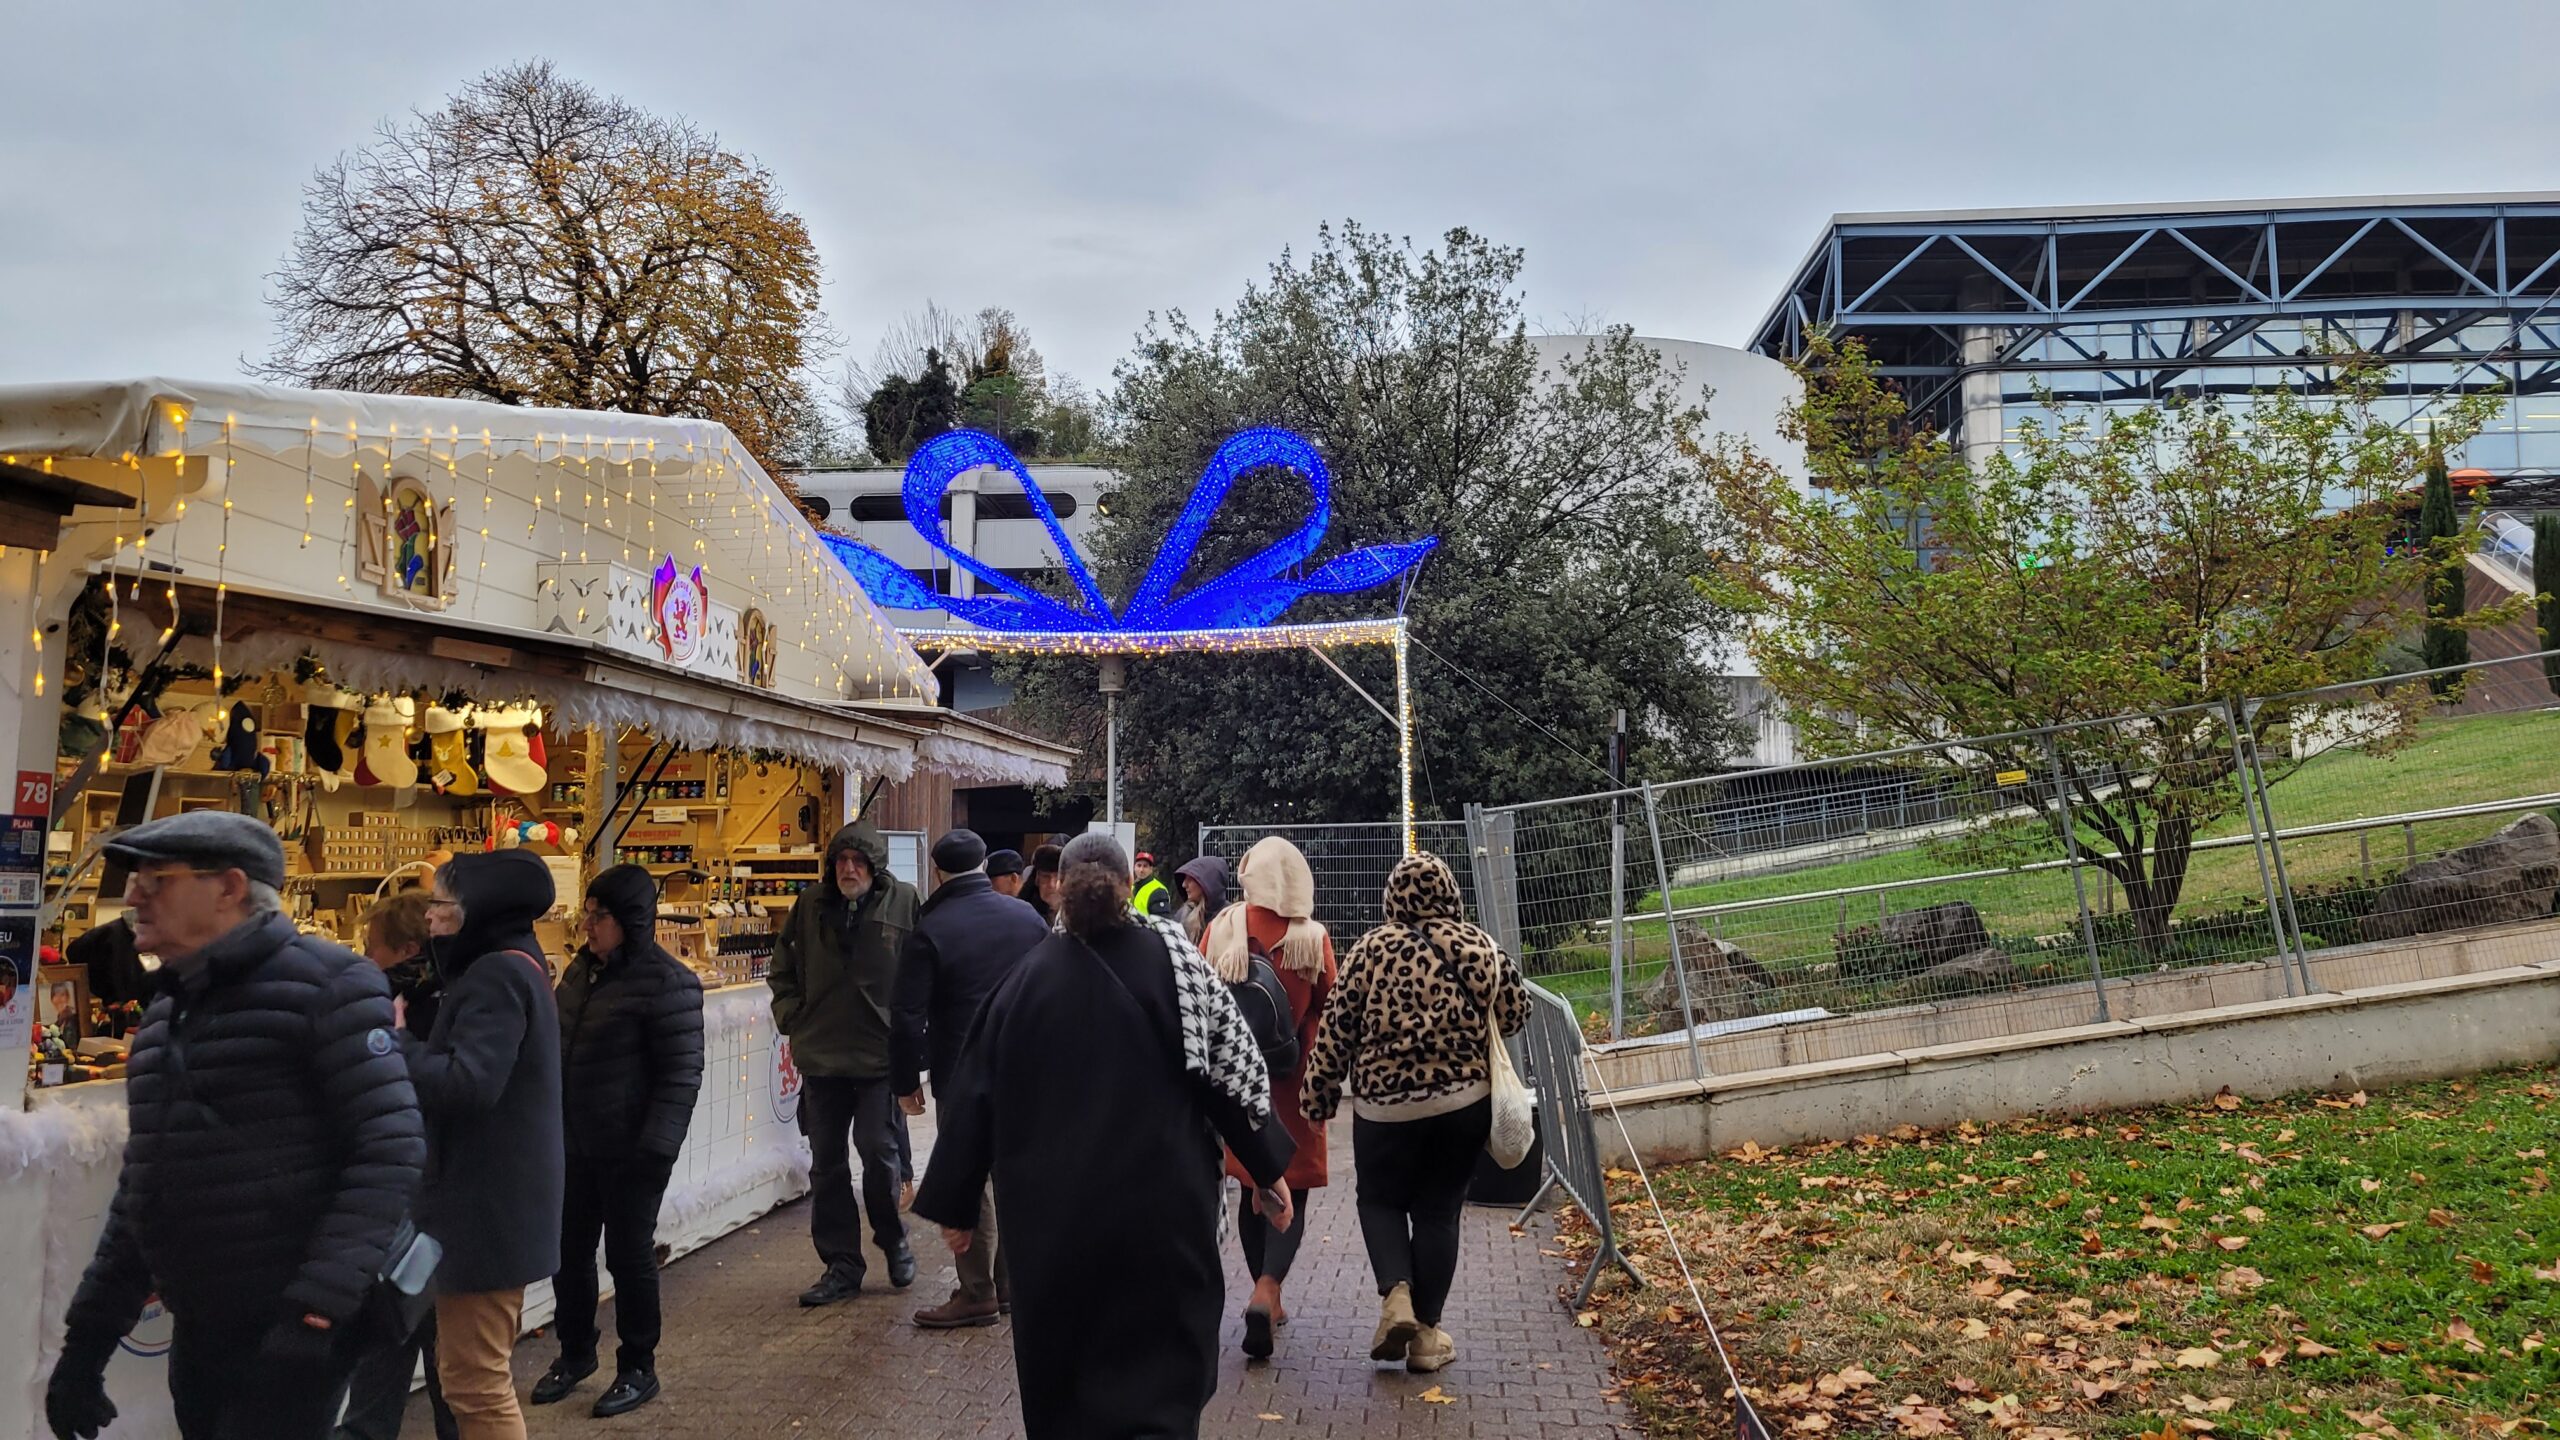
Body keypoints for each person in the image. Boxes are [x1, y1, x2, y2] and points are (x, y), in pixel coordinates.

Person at [46, 812, 425, 1440]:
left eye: (155, 879)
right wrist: (87, 1344)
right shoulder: (167, 1013)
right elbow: (147, 1186)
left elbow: (389, 1149)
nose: (133, 895)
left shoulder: (330, 984)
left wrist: (317, 1311)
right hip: (204, 1327)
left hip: (290, 1326)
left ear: (228, 888)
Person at [914, 833, 1294, 1440]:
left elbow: (974, 1090)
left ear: (1058, 888)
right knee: (1166, 1363)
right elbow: (1230, 1070)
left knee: (1065, 1373)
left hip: (1053, 1224)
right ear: (1127, 889)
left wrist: (956, 1203)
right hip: (1163, 1211)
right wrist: (1266, 1167)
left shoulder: (1025, 979)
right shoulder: (1178, 968)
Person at [1302, 851, 1529, 1375]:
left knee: (1378, 1200)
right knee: (1437, 1212)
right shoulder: (1478, 946)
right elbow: (1517, 1012)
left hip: (1384, 1112)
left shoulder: (1368, 951)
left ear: (1392, 897)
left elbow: (1335, 1032)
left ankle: (1396, 1295)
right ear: (1450, 893)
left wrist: (1318, 1098)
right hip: (1462, 1105)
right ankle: (1427, 1337)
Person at [530, 865, 705, 1417]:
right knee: (569, 1252)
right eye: (586, 912)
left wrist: (655, 1150)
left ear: (629, 920)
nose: (587, 924)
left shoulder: (667, 982)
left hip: (632, 1149)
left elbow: (681, 1076)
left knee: (629, 1258)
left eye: (597, 915)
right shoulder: (581, 974)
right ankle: (576, 1352)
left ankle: (638, 1366)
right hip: (576, 1142)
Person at [408, 850, 565, 1440]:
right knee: (469, 1374)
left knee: (474, 1380)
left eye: (443, 906)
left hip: (487, 1206)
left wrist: (391, 1046)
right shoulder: (517, 963)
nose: (431, 919)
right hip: (494, 1203)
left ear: (478, 912)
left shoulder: (497, 974)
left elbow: (468, 1084)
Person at [892, 828, 1049, 1329]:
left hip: (960, 1069)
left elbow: (906, 1015)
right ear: (984, 865)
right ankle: (1009, 1284)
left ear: (937, 871)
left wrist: (905, 1080)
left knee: (969, 1173)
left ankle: (977, 1290)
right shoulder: (1026, 917)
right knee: (1014, 1174)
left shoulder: (931, 928)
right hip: (1025, 1065)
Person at [769, 819, 919, 1305]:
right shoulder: (810, 905)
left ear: (875, 866)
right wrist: (791, 1014)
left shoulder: (904, 902)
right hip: (822, 1054)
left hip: (879, 1055)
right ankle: (841, 1264)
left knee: (878, 1152)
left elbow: (925, 968)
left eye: (857, 862)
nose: (848, 869)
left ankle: (891, 1235)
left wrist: (915, 1035)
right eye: (840, 861)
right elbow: (782, 966)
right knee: (827, 1165)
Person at [337, 893, 461, 1440]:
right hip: (434, 1201)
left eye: (373, 949)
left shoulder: (402, 1013)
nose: (367, 960)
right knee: (441, 1366)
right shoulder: (459, 999)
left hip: (412, 1204)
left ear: (407, 949)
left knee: (396, 1346)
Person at [1206, 837, 1334, 1359]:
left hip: (1236, 1082)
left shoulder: (1224, 928)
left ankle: (1262, 1289)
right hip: (1294, 1080)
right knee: (1291, 1188)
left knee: (1249, 1184)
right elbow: (1329, 1005)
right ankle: (1268, 1288)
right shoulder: (1312, 937)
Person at [1173, 854, 1231, 946]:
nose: (1184, 884)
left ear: (1207, 882)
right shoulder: (1183, 915)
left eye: (1190, 879)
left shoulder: (1229, 917)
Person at [1024, 843, 1063, 930]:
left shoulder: (1080, 915)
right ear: (1037, 879)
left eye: (1057, 877)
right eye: (1046, 877)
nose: (1051, 885)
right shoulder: (1024, 915)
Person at [1131, 851, 1175, 919]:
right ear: (1134, 867)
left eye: (1145, 866)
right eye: (1139, 865)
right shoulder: (1131, 887)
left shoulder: (1158, 890)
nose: (1141, 870)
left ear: (1151, 869)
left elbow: (1162, 921)